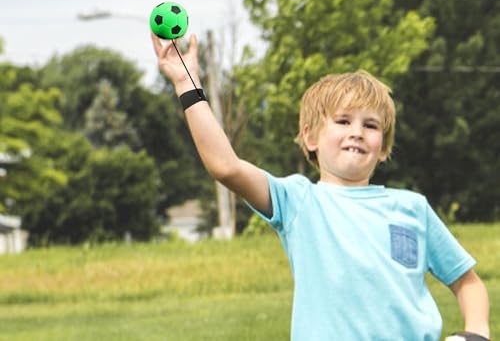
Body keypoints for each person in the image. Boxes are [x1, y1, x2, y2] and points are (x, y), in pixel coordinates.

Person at [151, 32, 490, 341]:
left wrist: (475, 334)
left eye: (371, 125)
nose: (357, 132)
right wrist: (186, 83)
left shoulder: (412, 208)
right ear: (310, 137)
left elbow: (467, 282)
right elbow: (226, 167)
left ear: (384, 147)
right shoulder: (299, 201)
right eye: (343, 121)